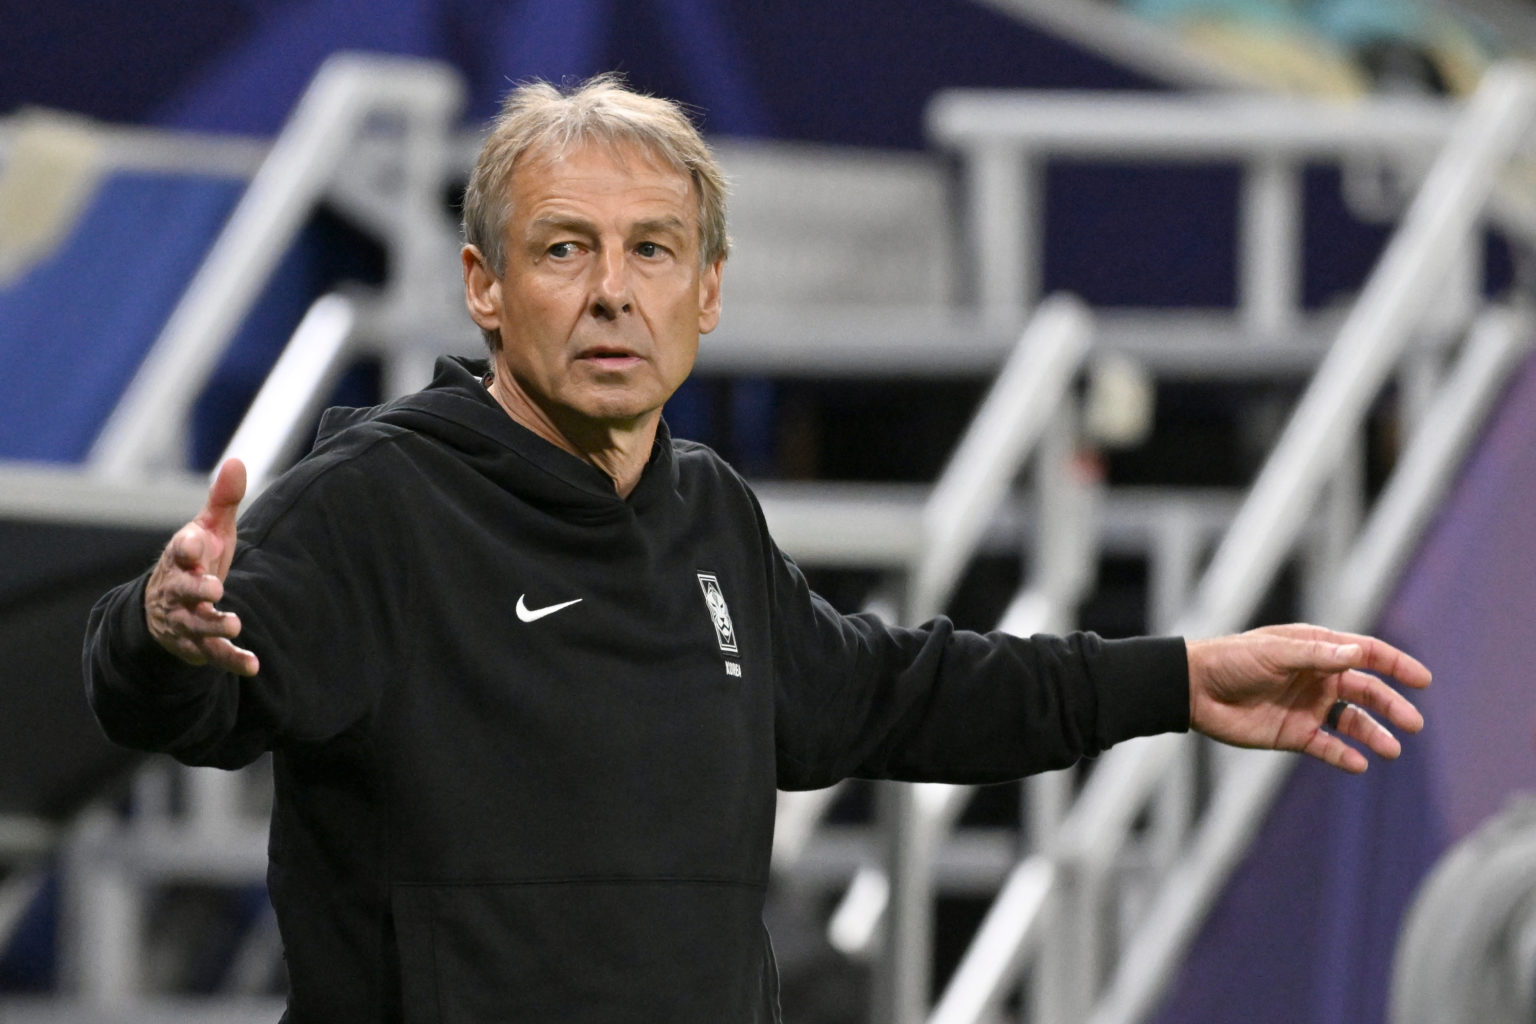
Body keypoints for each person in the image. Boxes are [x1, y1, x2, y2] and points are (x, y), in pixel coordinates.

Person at [83, 74, 1431, 1023]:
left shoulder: (711, 513)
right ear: (484, 286)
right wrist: (156, 631)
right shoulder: (374, 504)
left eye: (653, 251)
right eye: (565, 249)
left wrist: (1181, 678)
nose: (614, 289)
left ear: (709, 291)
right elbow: (202, 692)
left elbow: (895, 691)